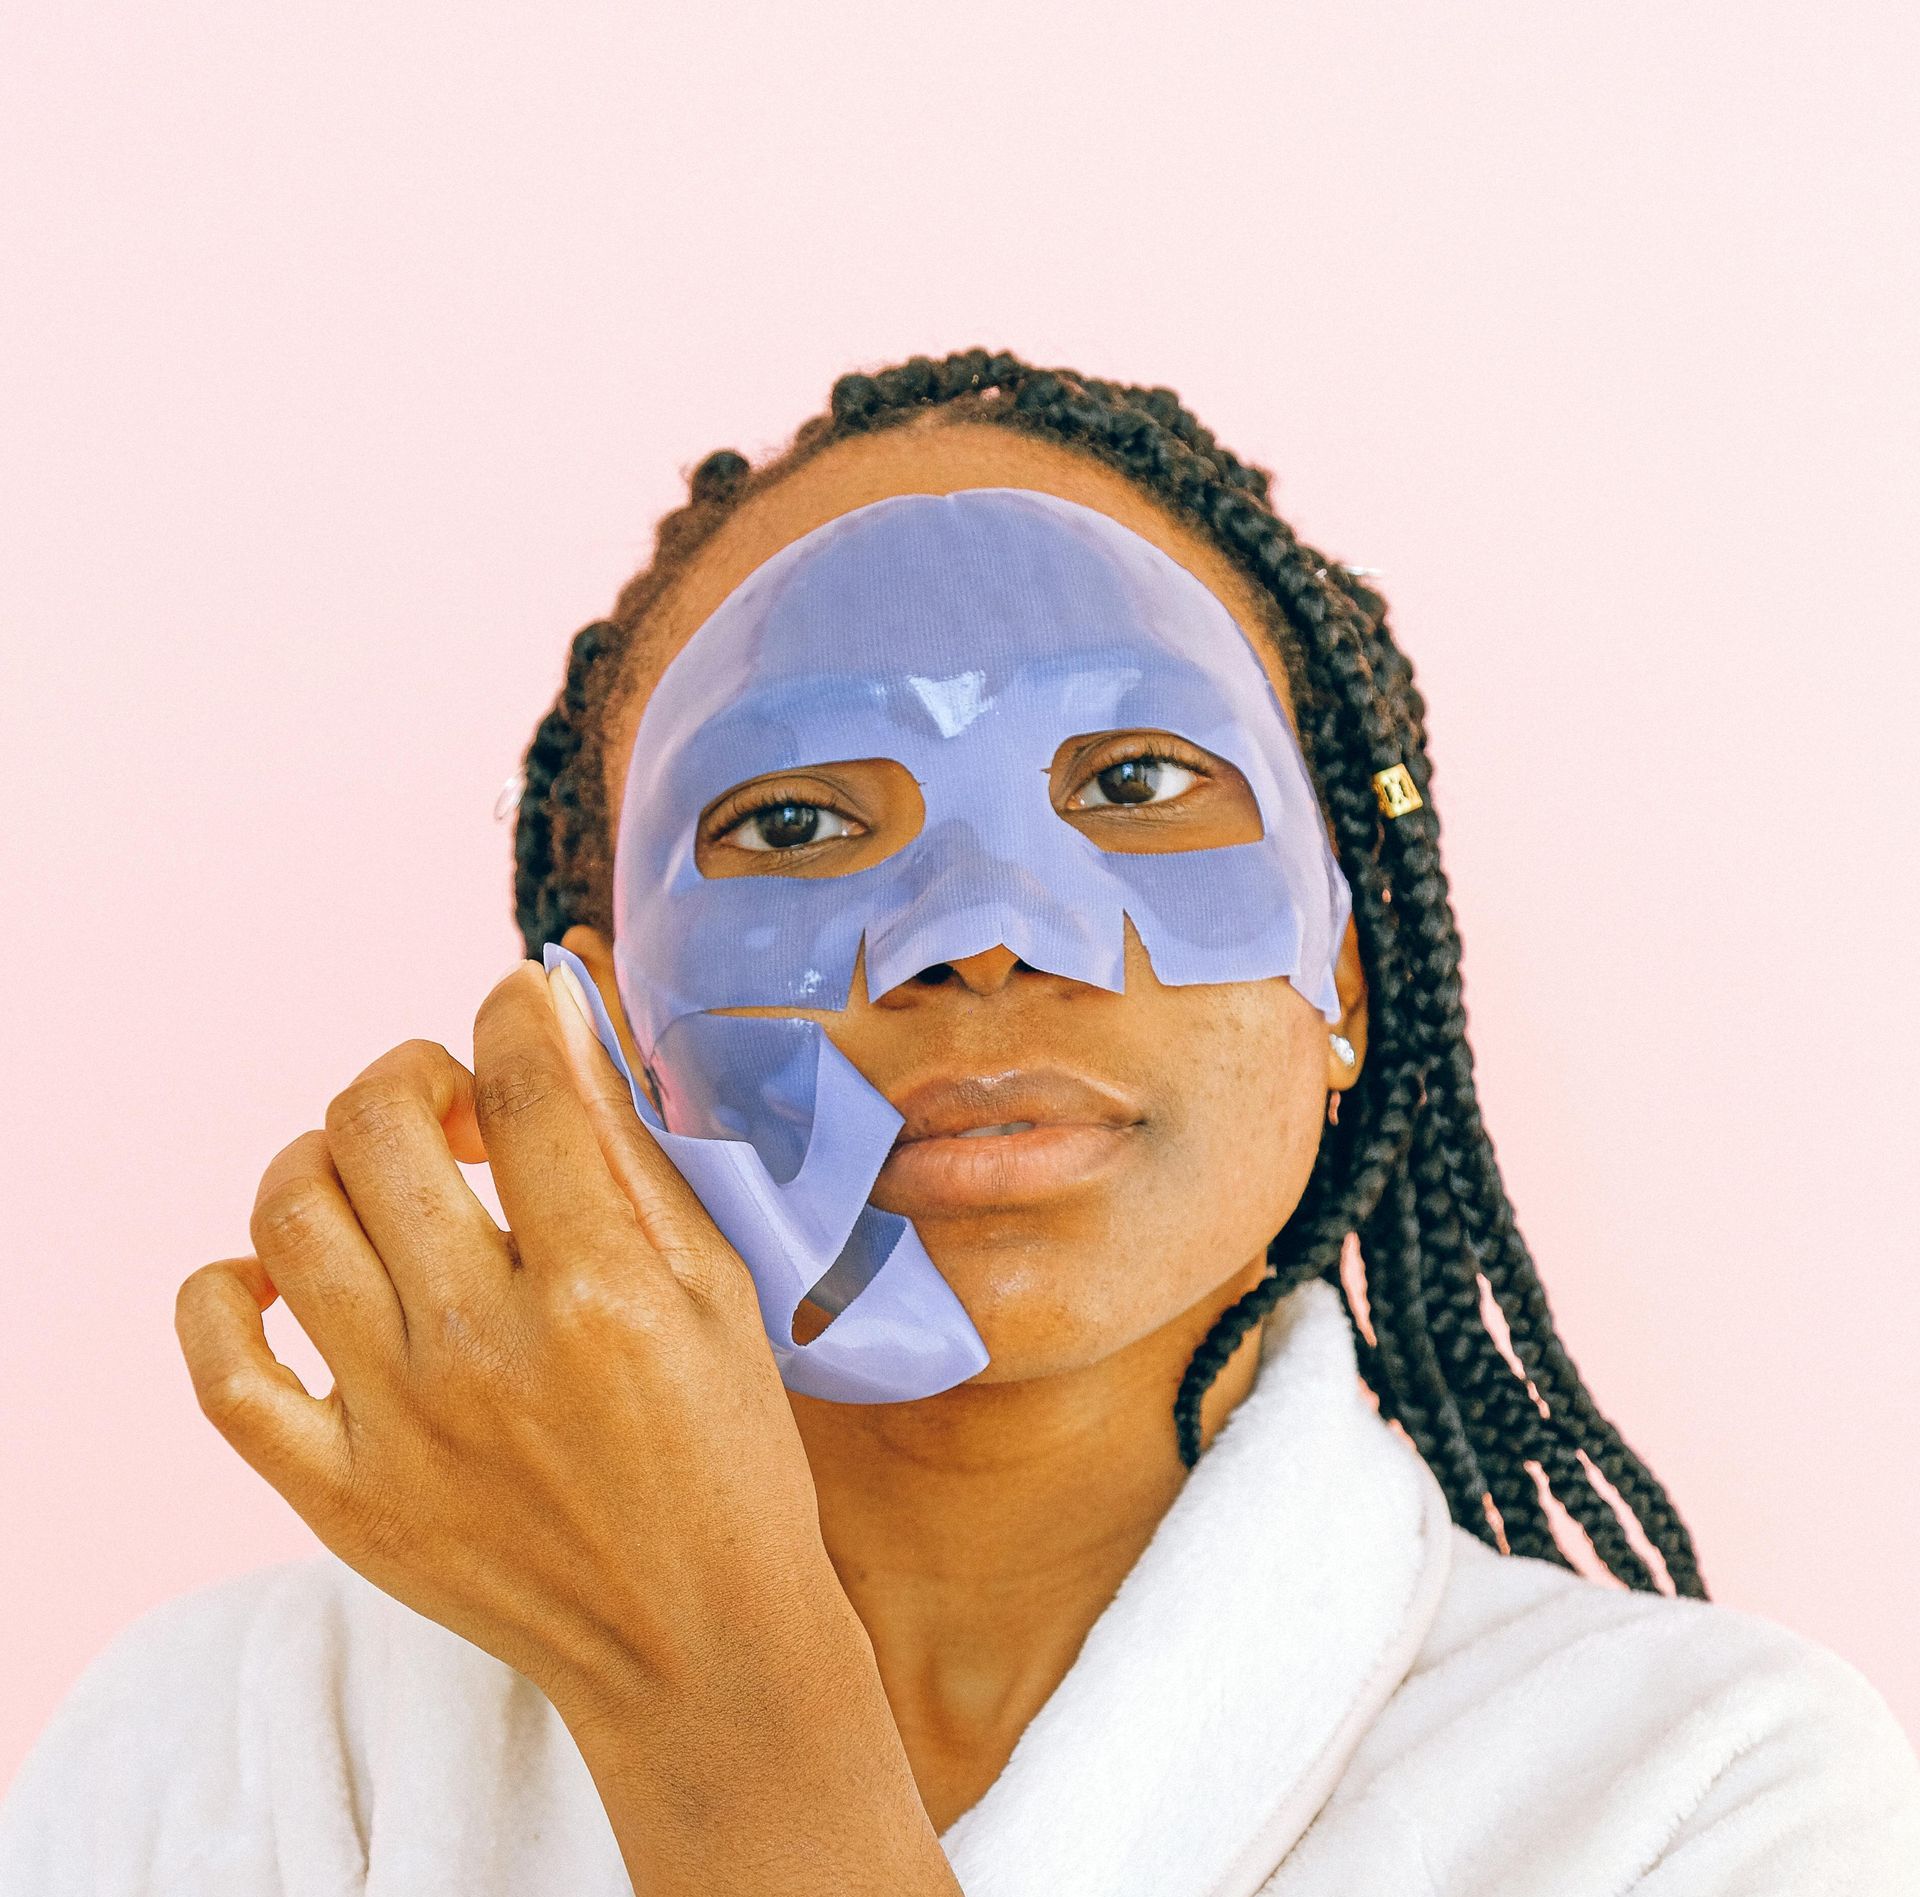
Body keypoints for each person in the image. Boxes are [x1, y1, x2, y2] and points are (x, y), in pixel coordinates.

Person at [4, 351, 1917, 1895]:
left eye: (1140, 774)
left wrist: (722, 1713)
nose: (983, 928)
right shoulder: (231, 1754)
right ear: (599, 1028)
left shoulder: (1715, 1803)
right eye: (796, 822)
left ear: (1345, 972)